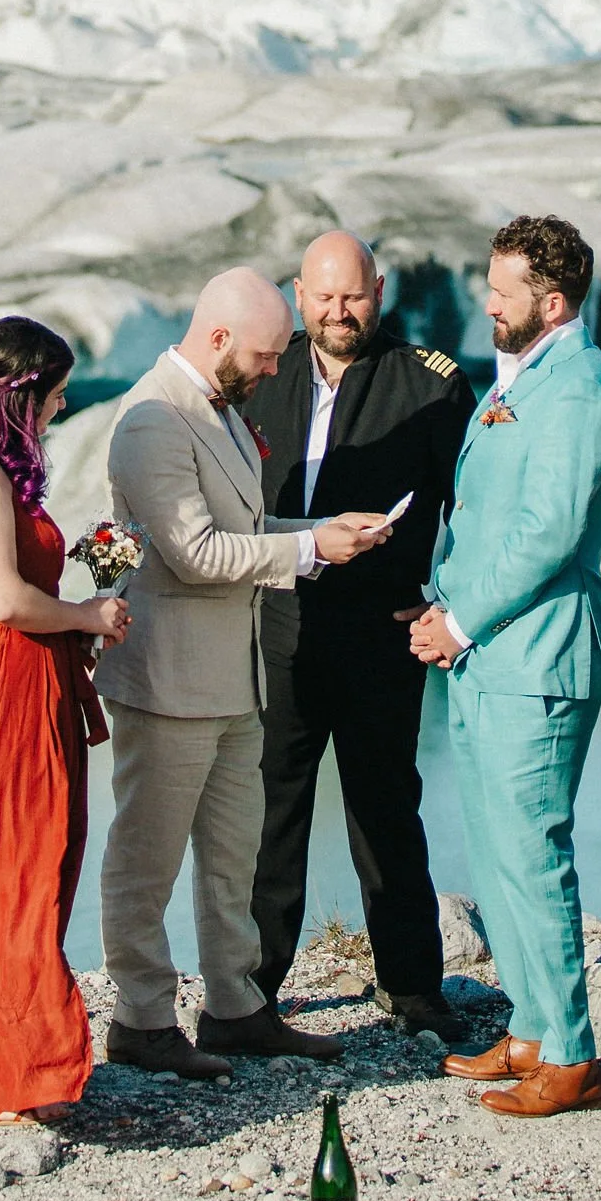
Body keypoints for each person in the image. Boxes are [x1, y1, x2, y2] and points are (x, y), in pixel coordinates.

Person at [98, 267, 396, 1081]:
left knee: (235, 856)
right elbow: (194, 554)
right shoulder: (153, 418)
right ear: (219, 337)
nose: (275, 370)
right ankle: (141, 1018)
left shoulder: (221, 409)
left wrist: (323, 529)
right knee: (147, 859)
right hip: (167, 681)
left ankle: (236, 1007)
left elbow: (248, 524)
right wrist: (307, 550)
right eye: (265, 356)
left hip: (232, 678)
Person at [409, 215, 601, 1119]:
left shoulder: (580, 390)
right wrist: (441, 604)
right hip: (490, 656)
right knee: (497, 849)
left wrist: (459, 622)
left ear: (553, 301)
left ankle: (572, 1055)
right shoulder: (528, 377)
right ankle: (533, 1026)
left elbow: (549, 532)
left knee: (535, 853)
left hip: (536, 655)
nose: (488, 304)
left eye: (503, 292)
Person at [243, 231, 476, 1044]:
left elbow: (473, 506)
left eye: (354, 296)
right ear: (298, 296)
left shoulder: (430, 384)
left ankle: (412, 987)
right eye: (325, 297)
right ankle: (251, 990)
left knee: (386, 810)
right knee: (272, 810)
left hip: (382, 629)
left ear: (380, 293)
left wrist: (447, 599)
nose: (339, 312)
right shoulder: (263, 375)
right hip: (279, 621)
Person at [0, 314, 128, 1128]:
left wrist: (80, 612)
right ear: (21, 395)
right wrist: (84, 615)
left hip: (19, 677)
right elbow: (2, 598)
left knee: (28, 864)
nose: (62, 408)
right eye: (56, 395)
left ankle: (10, 1061)